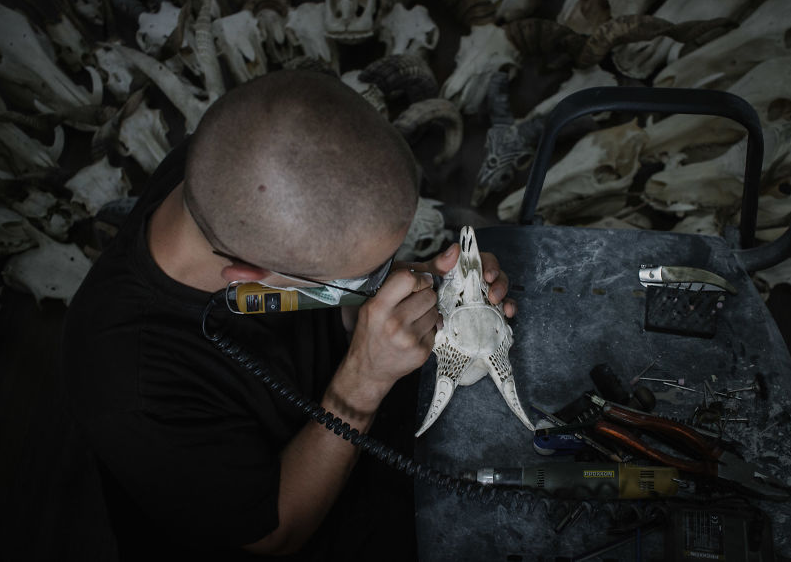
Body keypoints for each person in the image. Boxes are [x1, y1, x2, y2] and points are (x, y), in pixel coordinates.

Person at [61, 70, 515, 560]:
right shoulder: (133, 386)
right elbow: (274, 536)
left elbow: (316, 280)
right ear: (247, 274)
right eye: (360, 275)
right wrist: (365, 377)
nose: (381, 276)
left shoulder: (237, 158)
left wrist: (428, 283)